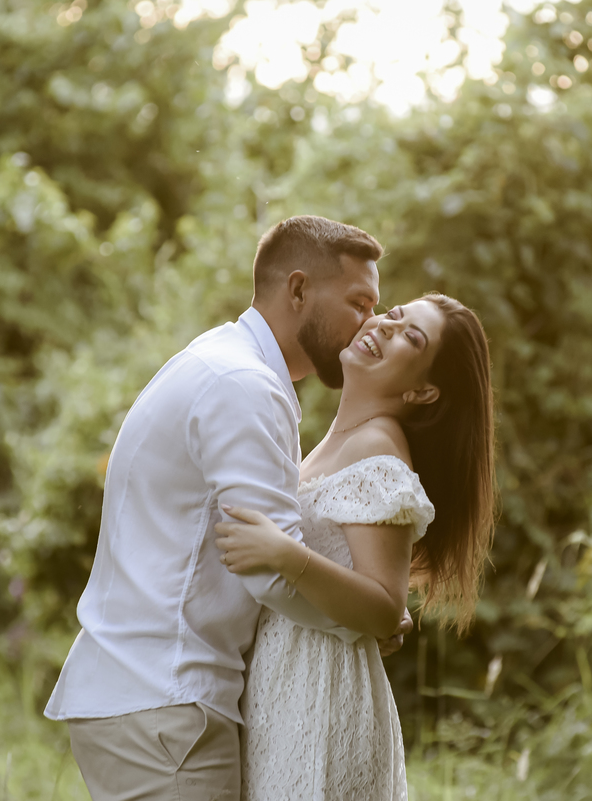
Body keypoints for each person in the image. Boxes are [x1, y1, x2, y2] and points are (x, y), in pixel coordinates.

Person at [43, 216, 412, 800]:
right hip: (166, 703)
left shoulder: (230, 364)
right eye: (358, 303)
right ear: (297, 291)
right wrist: (366, 619)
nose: (369, 323)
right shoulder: (245, 386)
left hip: (153, 697)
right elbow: (269, 570)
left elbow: (272, 551)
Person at [214, 292, 496, 800]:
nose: (386, 327)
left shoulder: (376, 449)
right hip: (286, 686)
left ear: (424, 391)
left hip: (322, 695)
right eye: (394, 314)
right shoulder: (337, 442)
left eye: (411, 336)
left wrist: (284, 555)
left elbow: (386, 609)